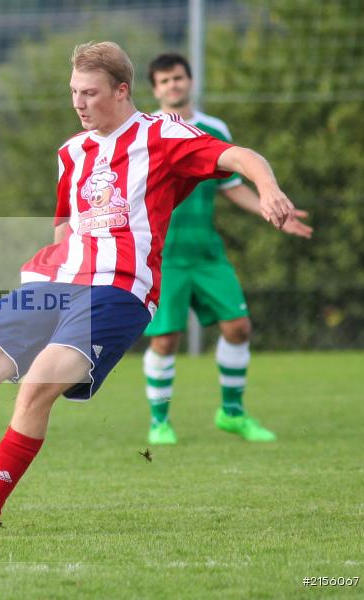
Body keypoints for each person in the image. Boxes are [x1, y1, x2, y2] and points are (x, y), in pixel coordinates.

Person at [0, 41, 301, 540]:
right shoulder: (72, 151)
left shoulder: (163, 134)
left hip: (119, 289)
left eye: (89, 93)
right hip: (56, 282)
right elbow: (65, 226)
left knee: (37, 387)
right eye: (73, 93)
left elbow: (241, 155)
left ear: (122, 91)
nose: (79, 103)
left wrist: (269, 189)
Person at [142, 53, 312, 445]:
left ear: (190, 81)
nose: (173, 86)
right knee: (165, 339)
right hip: (163, 255)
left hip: (207, 254)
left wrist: (273, 211)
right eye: (165, 81)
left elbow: (230, 186)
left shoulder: (213, 128)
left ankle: (232, 413)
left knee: (238, 327)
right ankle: (160, 421)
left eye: (178, 78)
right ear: (155, 89)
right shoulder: (147, 131)